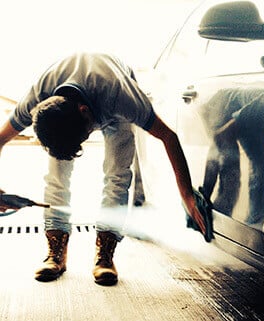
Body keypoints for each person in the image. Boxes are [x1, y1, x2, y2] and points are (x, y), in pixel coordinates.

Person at [0, 52, 206, 286]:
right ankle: (56, 252)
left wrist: (187, 196)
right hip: (74, 103)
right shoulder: (37, 98)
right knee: (56, 175)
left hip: (113, 108)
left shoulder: (122, 97)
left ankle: (105, 256)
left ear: (84, 112)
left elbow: (169, 137)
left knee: (117, 176)